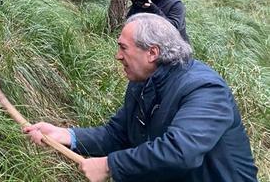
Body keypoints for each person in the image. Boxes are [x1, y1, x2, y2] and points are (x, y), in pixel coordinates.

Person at [24, 13, 258, 182]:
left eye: (123, 48)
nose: (117, 56)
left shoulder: (205, 89)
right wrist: (67, 135)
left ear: (152, 52)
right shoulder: (142, 84)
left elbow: (181, 151)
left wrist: (110, 165)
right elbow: (117, 135)